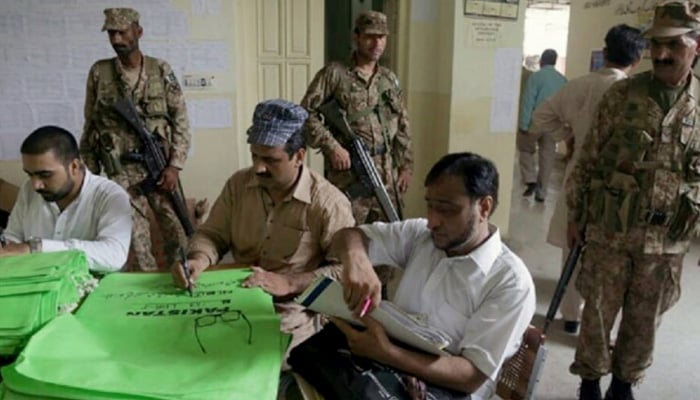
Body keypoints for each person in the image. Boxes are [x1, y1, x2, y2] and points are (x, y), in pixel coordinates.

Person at [566, 2, 700, 399]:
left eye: (673, 46)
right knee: (597, 314)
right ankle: (589, 383)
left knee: (645, 321)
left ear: (697, 46)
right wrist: (576, 215)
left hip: (667, 242)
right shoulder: (622, 95)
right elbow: (588, 157)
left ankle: (623, 386)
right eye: (656, 44)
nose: (661, 54)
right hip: (612, 232)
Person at [324, 152, 535, 399]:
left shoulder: (510, 283)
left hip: (445, 390)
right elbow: (347, 237)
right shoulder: (421, 236)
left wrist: (387, 353)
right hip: (387, 367)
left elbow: (469, 377)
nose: (433, 221)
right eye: (430, 206)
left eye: (447, 210)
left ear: (484, 207)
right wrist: (356, 261)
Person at [171, 99, 355, 365]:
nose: (258, 167)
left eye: (270, 159)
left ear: (299, 156)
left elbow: (345, 272)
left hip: (290, 312)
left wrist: (290, 282)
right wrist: (198, 259)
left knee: (251, 366)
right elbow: (212, 234)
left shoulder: (328, 203)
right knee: (180, 348)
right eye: (255, 156)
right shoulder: (239, 184)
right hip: (233, 297)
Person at [529, 24, 645, 334]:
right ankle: (600, 322)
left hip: (579, 173)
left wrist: (567, 135)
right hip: (621, 185)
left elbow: (541, 116)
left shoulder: (579, 85)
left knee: (574, 246)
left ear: (605, 53)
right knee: (610, 255)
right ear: (637, 59)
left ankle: (571, 316)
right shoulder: (635, 93)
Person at [80, 8, 191, 272]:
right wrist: (90, 171)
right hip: (120, 169)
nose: (117, 39)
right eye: (112, 33)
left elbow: (181, 120)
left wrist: (175, 165)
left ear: (138, 32)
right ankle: (146, 289)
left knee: (176, 227)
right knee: (134, 237)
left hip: (160, 165)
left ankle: (185, 275)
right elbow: (90, 122)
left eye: (122, 32)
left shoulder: (160, 69)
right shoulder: (100, 72)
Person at [300, 10, 413, 225]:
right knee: (344, 234)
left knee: (390, 238)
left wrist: (406, 166)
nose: (376, 43)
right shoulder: (335, 74)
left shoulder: (389, 79)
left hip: (385, 176)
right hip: (349, 175)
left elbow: (402, 124)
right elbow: (305, 114)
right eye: (370, 36)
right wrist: (332, 146)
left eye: (381, 37)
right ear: (357, 36)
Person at [0, 126, 131, 272]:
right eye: (30, 175)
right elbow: (12, 239)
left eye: (45, 175)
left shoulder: (110, 196)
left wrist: (37, 248)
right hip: (37, 284)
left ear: (74, 166)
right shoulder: (29, 190)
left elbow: (113, 256)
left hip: (93, 288)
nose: (36, 185)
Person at [518, 48, 567, 202]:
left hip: (536, 122)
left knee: (525, 149)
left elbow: (528, 102)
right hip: (554, 123)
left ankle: (530, 179)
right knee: (548, 157)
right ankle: (542, 192)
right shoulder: (563, 80)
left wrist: (524, 124)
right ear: (554, 61)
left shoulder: (536, 77)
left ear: (542, 61)